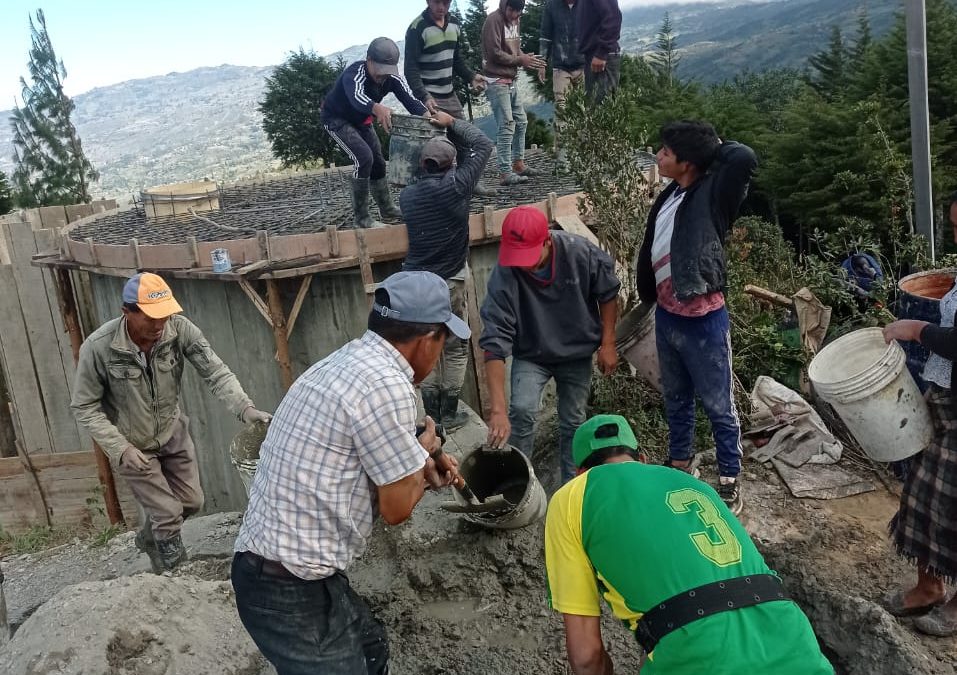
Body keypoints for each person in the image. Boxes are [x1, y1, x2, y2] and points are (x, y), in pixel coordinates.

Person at [232, 270, 469, 675]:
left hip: (279, 568)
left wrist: (421, 455)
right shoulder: (387, 387)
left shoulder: (346, 362)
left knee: (371, 648)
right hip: (288, 585)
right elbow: (396, 510)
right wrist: (423, 458)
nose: (441, 353)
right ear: (428, 339)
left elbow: (375, 443)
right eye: (444, 342)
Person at [545, 414, 835, 675]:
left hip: (701, 659)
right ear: (642, 458)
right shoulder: (695, 485)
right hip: (795, 642)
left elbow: (586, 657)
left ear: (580, 472)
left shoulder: (571, 498)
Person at [71, 273, 270, 571]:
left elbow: (215, 371)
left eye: (165, 315)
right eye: (151, 317)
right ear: (127, 312)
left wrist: (245, 408)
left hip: (172, 432)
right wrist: (121, 449)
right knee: (166, 512)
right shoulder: (99, 348)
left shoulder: (180, 330)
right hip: (133, 445)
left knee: (191, 502)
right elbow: (84, 406)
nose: (159, 324)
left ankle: (150, 538)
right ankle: (176, 575)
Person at [635, 121, 757, 515]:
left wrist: (712, 146)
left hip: (703, 319)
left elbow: (743, 157)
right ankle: (680, 465)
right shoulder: (672, 192)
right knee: (676, 399)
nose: (659, 156)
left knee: (719, 404)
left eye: (667, 152)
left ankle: (729, 479)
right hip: (669, 315)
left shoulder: (714, 195)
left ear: (687, 162)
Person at [480, 206, 620, 483]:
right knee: (521, 411)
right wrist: (497, 410)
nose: (523, 264)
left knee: (573, 421)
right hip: (532, 352)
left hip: (576, 351)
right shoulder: (506, 274)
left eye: (529, 256)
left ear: (547, 241)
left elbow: (608, 293)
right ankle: (520, 484)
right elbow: (494, 343)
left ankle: (571, 486)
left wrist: (608, 344)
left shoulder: (579, 253)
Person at [880, 194, 957, 636]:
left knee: (950, 504)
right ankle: (929, 586)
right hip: (944, 398)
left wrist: (917, 330)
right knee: (924, 496)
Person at [400, 111, 493, 430]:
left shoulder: (408, 197)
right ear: (451, 165)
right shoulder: (457, 186)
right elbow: (482, 144)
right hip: (450, 281)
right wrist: (450, 122)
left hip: (415, 286)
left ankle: (431, 415)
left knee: (426, 346)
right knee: (454, 345)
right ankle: (449, 413)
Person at [321, 37, 428, 229]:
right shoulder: (355, 74)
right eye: (379, 71)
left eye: (386, 72)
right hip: (337, 119)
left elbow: (408, 98)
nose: (382, 77)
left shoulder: (391, 79)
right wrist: (376, 108)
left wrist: (427, 115)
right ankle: (362, 218)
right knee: (364, 158)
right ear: (369, 60)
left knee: (378, 161)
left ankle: (387, 208)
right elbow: (356, 98)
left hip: (362, 121)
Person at [404, 0, 497, 196]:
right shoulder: (417, 28)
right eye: (437, 2)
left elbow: (456, 60)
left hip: (448, 92)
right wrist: (423, 95)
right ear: (428, 1)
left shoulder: (454, 23)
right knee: (429, 147)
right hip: (428, 96)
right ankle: (427, 192)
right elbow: (410, 69)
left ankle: (468, 182)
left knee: (462, 140)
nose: (441, 7)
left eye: (446, 3)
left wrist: (471, 77)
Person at [481, 0, 546, 186]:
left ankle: (518, 163)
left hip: (511, 79)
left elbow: (516, 50)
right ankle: (504, 172)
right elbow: (494, 53)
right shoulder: (493, 20)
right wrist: (520, 60)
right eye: (511, 10)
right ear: (505, 6)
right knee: (507, 124)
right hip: (496, 80)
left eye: (518, 12)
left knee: (521, 121)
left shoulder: (516, 20)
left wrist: (535, 63)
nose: (514, 15)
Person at [538, 0, 585, 154]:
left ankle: (584, 154)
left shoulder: (588, 4)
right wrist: (542, 63)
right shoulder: (552, 6)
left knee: (585, 111)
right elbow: (545, 36)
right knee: (562, 111)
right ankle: (563, 158)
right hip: (561, 66)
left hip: (584, 65)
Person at [577, 0, 622, 101]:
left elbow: (613, 18)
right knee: (592, 108)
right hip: (592, 56)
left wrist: (602, 53)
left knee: (603, 109)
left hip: (601, 58)